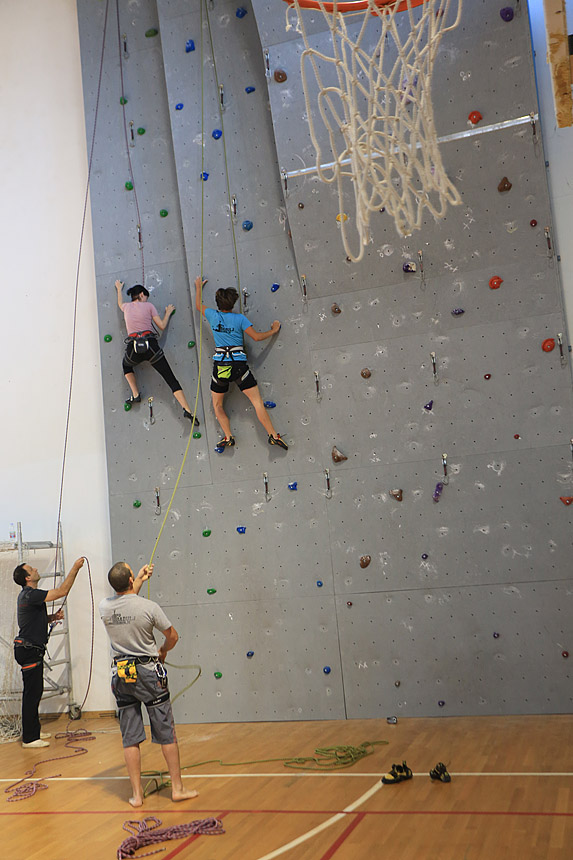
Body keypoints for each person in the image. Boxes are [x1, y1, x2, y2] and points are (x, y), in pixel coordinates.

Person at [99, 561, 198, 807]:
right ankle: (177, 788)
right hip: (148, 674)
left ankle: (137, 795)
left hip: (122, 674)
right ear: (130, 580)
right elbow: (172, 636)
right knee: (165, 731)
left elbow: (126, 605)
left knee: (130, 737)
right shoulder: (149, 607)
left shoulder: (104, 607)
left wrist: (139, 579)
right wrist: (163, 651)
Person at [194, 275, 288, 450]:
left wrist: (198, 286)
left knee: (217, 404)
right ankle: (273, 435)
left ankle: (228, 437)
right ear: (233, 304)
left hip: (221, 367)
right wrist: (273, 330)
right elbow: (257, 337)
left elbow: (198, 305)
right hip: (238, 366)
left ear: (218, 304)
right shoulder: (239, 319)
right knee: (257, 402)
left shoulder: (212, 315)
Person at [13, 558, 84, 748]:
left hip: (30, 650)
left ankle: (33, 731)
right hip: (28, 650)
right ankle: (29, 739)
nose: (36, 569)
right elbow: (62, 591)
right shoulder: (30, 594)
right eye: (31, 569)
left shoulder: (31, 595)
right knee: (32, 694)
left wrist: (52, 617)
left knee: (35, 693)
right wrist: (75, 568)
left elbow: (33, 619)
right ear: (28, 578)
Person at [115, 279, 199, 425]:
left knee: (126, 366)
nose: (146, 299)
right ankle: (188, 411)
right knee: (170, 379)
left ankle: (135, 394)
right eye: (145, 296)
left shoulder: (126, 307)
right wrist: (168, 312)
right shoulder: (148, 306)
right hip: (151, 347)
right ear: (141, 294)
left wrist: (118, 289)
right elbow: (161, 325)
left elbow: (119, 303)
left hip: (133, 348)